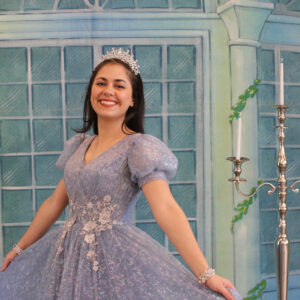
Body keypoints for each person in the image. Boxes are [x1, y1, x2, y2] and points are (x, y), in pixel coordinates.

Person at [0, 48, 241, 300]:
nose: (108, 91)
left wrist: (206, 274)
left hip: (112, 261)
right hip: (65, 256)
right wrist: (20, 248)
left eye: (119, 85)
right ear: (91, 91)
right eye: (101, 83)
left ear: (133, 98)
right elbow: (54, 203)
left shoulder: (138, 147)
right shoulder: (79, 145)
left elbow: (167, 209)